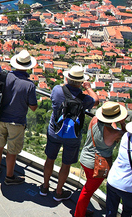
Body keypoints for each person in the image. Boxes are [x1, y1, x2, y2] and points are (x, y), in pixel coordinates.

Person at [40, 65, 99, 201]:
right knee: (66, 164)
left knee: (50, 159)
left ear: (67, 78)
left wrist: (67, 83)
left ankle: (44, 187)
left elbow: (59, 91)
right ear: (81, 82)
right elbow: (96, 100)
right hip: (73, 135)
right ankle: (59, 192)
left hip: (55, 131)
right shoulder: (85, 99)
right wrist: (88, 87)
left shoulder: (56, 90)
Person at [72, 101, 127, 217]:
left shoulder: (95, 120)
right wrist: (123, 123)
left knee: (87, 188)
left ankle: (82, 208)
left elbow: (108, 124)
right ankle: (79, 216)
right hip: (97, 165)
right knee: (88, 190)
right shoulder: (115, 133)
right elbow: (126, 136)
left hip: (85, 157)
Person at [0, 49, 38, 186]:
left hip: (0, 118)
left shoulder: (4, 76)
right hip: (17, 122)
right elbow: (33, 107)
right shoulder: (29, 85)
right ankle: (9, 177)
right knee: (12, 151)